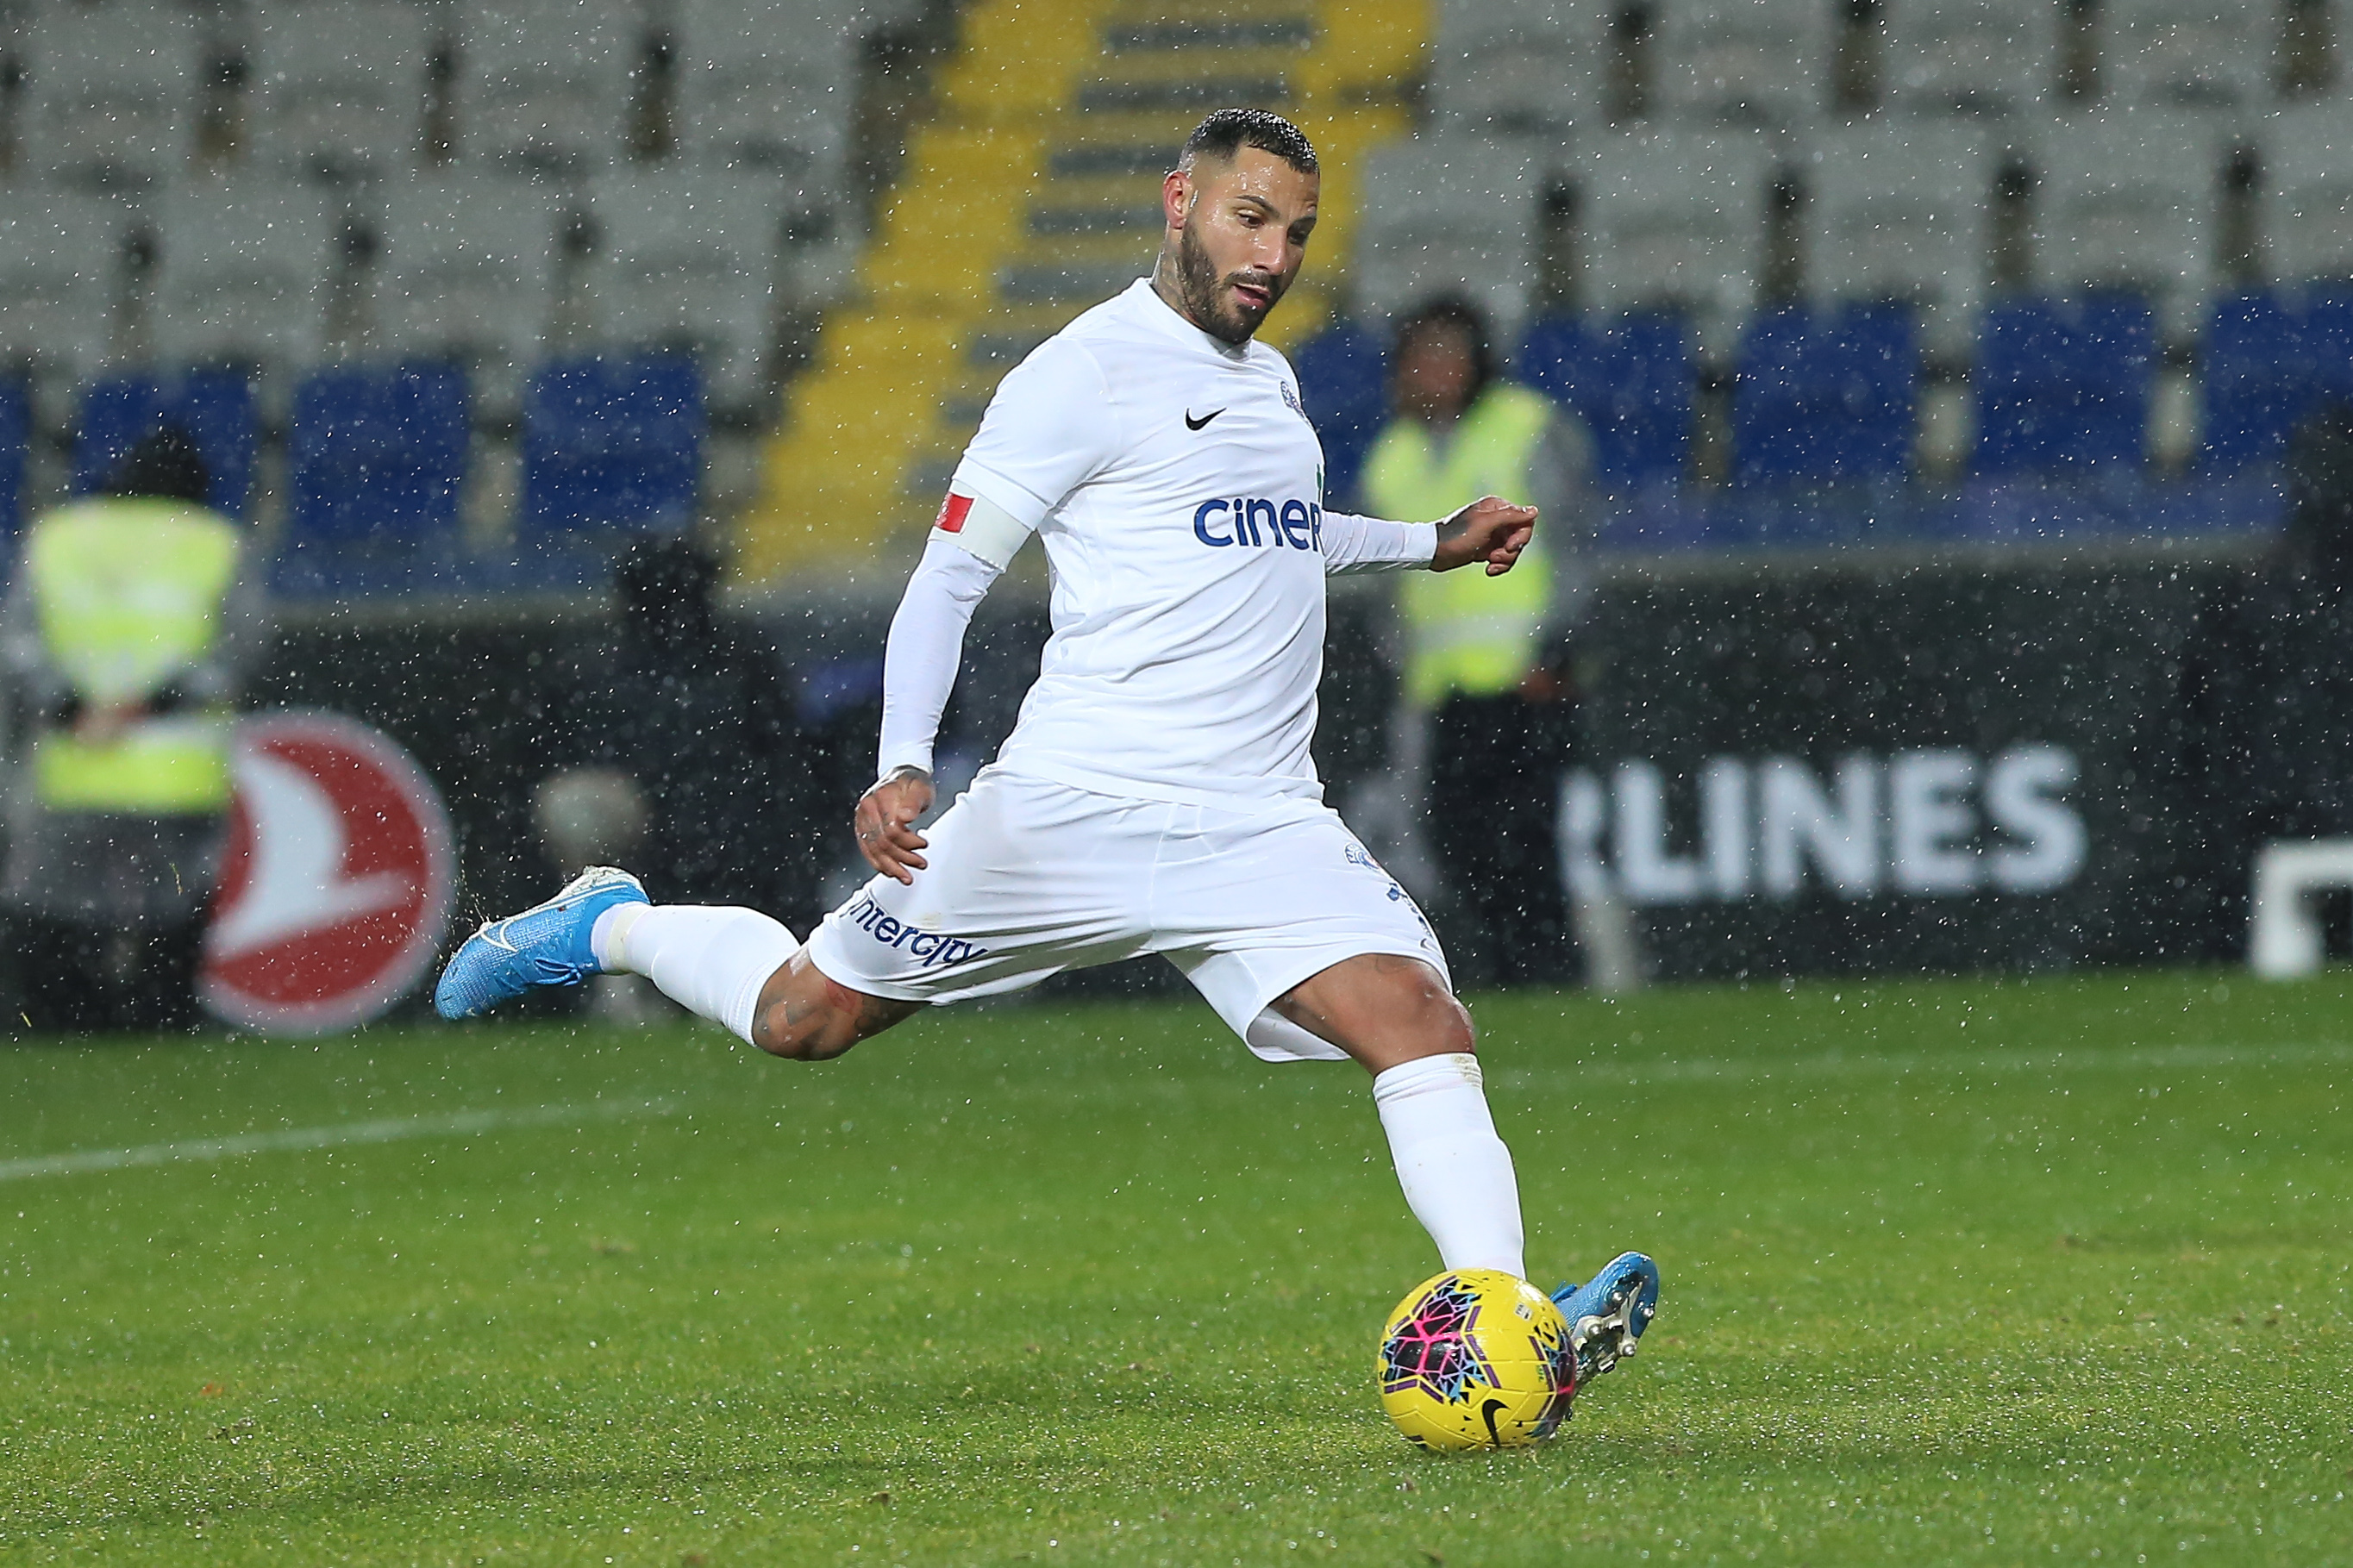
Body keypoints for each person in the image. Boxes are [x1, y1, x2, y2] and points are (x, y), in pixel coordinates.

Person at [434, 109, 1659, 1388]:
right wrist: (902, 759)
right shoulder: (1078, 374)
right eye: (1249, 218)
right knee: (803, 1016)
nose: (1273, 255)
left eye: (1297, 232)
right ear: (1178, 201)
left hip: (1255, 819)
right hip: (1074, 807)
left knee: (1417, 1019)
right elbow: (949, 574)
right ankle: (614, 922)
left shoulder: (1271, 384)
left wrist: (1426, 542)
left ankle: (1510, 1324)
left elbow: (1277, 531)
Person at [1, 426, 266, 1032]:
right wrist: (151, 704)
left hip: (70, 768)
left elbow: (17, 645)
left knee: (52, 911)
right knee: (173, 915)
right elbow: (240, 649)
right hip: (175, 775)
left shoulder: (57, 537)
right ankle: (159, 1030)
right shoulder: (215, 543)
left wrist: (73, 707)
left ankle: (57, 1028)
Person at [1361, 297, 1593, 989]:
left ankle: (1548, 975)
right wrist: (1399, 662)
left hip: (1523, 682)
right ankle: (1508, 975)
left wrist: (1558, 651)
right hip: (1442, 690)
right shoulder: (1392, 455)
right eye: (1419, 357)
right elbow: (1382, 583)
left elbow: (1574, 546)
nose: (1430, 371)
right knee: (1457, 845)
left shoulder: (1525, 427)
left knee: (1526, 845)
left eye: (1445, 355)